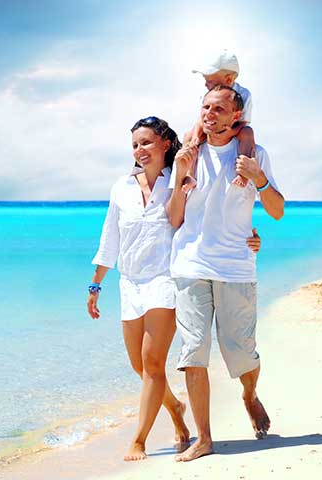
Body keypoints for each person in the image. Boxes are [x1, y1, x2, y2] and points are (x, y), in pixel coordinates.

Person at [87, 116, 262, 461]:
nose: (140, 150)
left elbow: (214, 216)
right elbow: (110, 239)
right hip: (130, 283)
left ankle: (138, 440)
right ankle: (175, 410)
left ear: (165, 144)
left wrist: (250, 237)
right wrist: (96, 284)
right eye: (135, 145)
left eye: (147, 142)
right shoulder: (122, 187)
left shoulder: (182, 176)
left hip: (167, 280)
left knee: (153, 364)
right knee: (139, 366)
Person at [167, 85, 285, 462]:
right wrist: (181, 175)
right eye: (205, 107)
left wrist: (259, 178)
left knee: (241, 352)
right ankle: (204, 438)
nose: (209, 114)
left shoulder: (254, 154)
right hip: (189, 265)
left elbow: (278, 211)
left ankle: (249, 395)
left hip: (235, 267)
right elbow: (173, 219)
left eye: (218, 108)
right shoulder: (189, 154)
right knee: (193, 351)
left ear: (237, 116)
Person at [181, 49, 256, 192]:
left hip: (234, 129)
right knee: (188, 136)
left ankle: (243, 174)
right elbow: (200, 121)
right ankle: (189, 174)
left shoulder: (243, 94)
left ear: (228, 79)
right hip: (210, 127)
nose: (205, 85)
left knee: (247, 133)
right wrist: (196, 137)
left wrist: (230, 132)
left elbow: (243, 122)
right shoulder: (208, 95)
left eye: (209, 81)